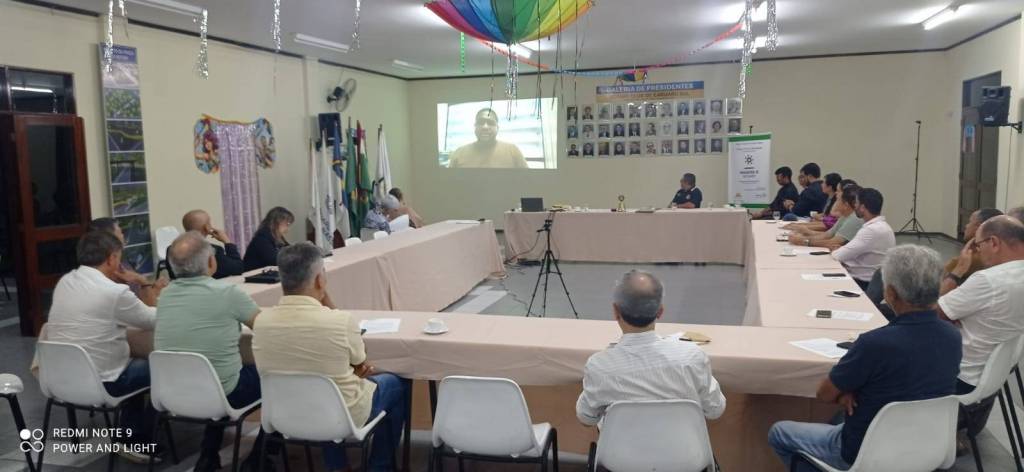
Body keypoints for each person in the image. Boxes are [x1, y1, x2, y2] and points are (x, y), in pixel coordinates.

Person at [769, 245, 961, 471]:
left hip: (866, 452)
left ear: (890, 294)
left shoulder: (874, 343)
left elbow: (825, 394)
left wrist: (848, 392)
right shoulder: (953, 336)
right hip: (928, 446)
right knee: (840, 419)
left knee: (779, 432)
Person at [253, 243, 410, 472]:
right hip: (339, 414)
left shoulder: (261, 322)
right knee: (398, 383)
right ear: (320, 280)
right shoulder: (339, 321)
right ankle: (380, 466)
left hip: (285, 413)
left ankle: (338, 467)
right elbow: (360, 362)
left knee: (325, 382)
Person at [155, 231, 270, 472]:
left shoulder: (165, 295)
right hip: (223, 393)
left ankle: (208, 456)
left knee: (215, 375)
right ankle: (260, 457)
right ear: (210, 262)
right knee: (276, 377)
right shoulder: (227, 293)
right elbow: (265, 328)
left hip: (174, 391)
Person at [47, 231, 157, 460]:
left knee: (133, 363)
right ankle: (136, 438)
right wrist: (143, 282)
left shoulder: (66, 281)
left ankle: (129, 430)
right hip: (102, 382)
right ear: (111, 258)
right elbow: (152, 319)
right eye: (119, 257)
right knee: (162, 366)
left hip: (59, 380)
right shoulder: (114, 292)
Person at [576, 271, 725, 426]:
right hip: (683, 442)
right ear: (660, 311)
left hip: (623, 443)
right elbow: (715, 410)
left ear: (615, 311)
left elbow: (587, 418)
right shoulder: (692, 357)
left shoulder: (599, 366)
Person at [938, 216, 1024, 395]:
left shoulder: (988, 280)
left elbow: (934, 314)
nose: (976, 251)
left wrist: (959, 269)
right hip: (997, 374)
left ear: (993, 243)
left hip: (962, 378)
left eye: (977, 245)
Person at [88, 217, 165, 304]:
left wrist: (153, 288)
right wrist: (147, 284)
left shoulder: (113, 264)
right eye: (120, 232)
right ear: (111, 239)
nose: (123, 235)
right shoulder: (115, 273)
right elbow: (143, 306)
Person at [832, 188, 895, 290]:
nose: (854, 206)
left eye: (856, 203)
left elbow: (837, 255)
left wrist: (838, 250)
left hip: (861, 284)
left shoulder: (871, 230)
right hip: (871, 282)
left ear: (862, 207)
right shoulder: (884, 227)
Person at [939, 208, 1003, 293]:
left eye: (969, 222)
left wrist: (958, 266)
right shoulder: (1003, 255)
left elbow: (940, 290)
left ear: (978, 227)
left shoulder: (970, 260)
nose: (966, 226)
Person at [168, 210, 246, 279]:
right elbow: (238, 268)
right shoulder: (212, 250)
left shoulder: (171, 249)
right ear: (207, 227)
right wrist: (227, 242)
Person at [789, 184, 863, 250]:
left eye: (838, 200)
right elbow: (826, 235)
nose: (835, 202)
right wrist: (803, 237)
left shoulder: (854, 218)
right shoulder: (845, 215)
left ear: (846, 205)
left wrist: (804, 241)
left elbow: (833, 242)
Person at [448, 108, 528, 168]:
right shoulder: (458, 153)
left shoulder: (513, 151)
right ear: (475, 127)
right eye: (480, 122)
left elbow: (527, 180)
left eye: (490, 123)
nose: (485, 127)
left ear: (497, 128)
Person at [244, 206, 294, 271]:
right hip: (254, 274)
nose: (287, 229)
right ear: (276, 223)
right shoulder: (261, 239)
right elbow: (275, 260)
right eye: (287, 224)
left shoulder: (277, 237)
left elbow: (291, 251)